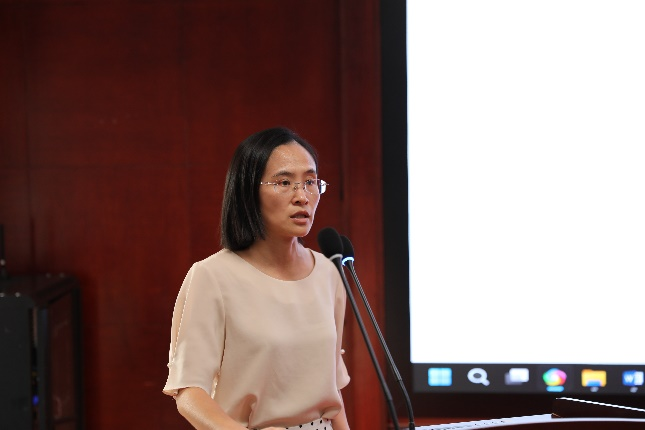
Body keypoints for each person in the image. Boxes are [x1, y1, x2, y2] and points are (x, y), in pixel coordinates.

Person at [163, 127, 351, 430]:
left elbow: (333, 393)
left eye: (310, 182)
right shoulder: (212, 277)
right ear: (248, 191)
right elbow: (189, 392)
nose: (302, 196)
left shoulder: (328, 273)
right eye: (285, 183)